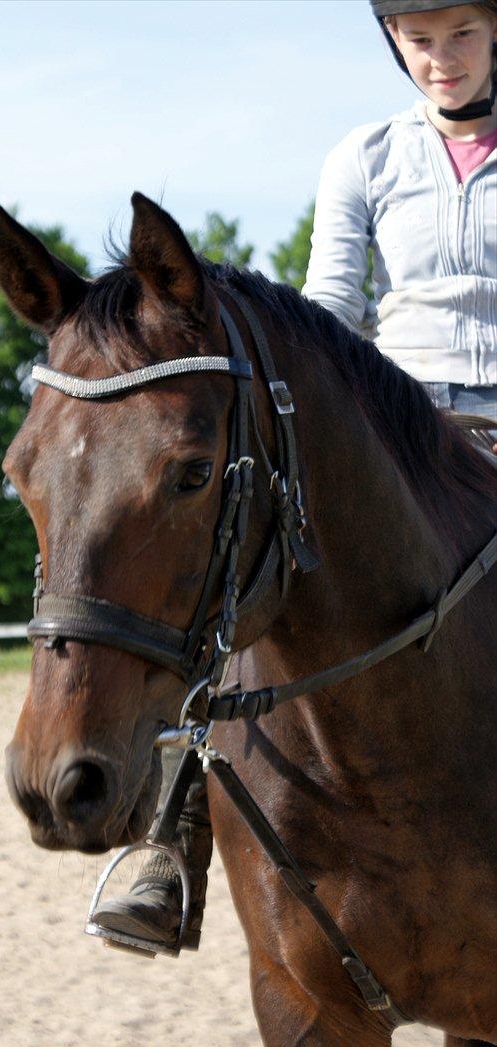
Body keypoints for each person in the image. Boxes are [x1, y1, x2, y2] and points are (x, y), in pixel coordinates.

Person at [91, 0, 497, 953]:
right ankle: (173, 840)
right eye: (420, 40)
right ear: (394, 43)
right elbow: (331, 309)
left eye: (462, 35)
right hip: (401, 425)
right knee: (250, 559)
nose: (441, 58)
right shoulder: (365, 157)